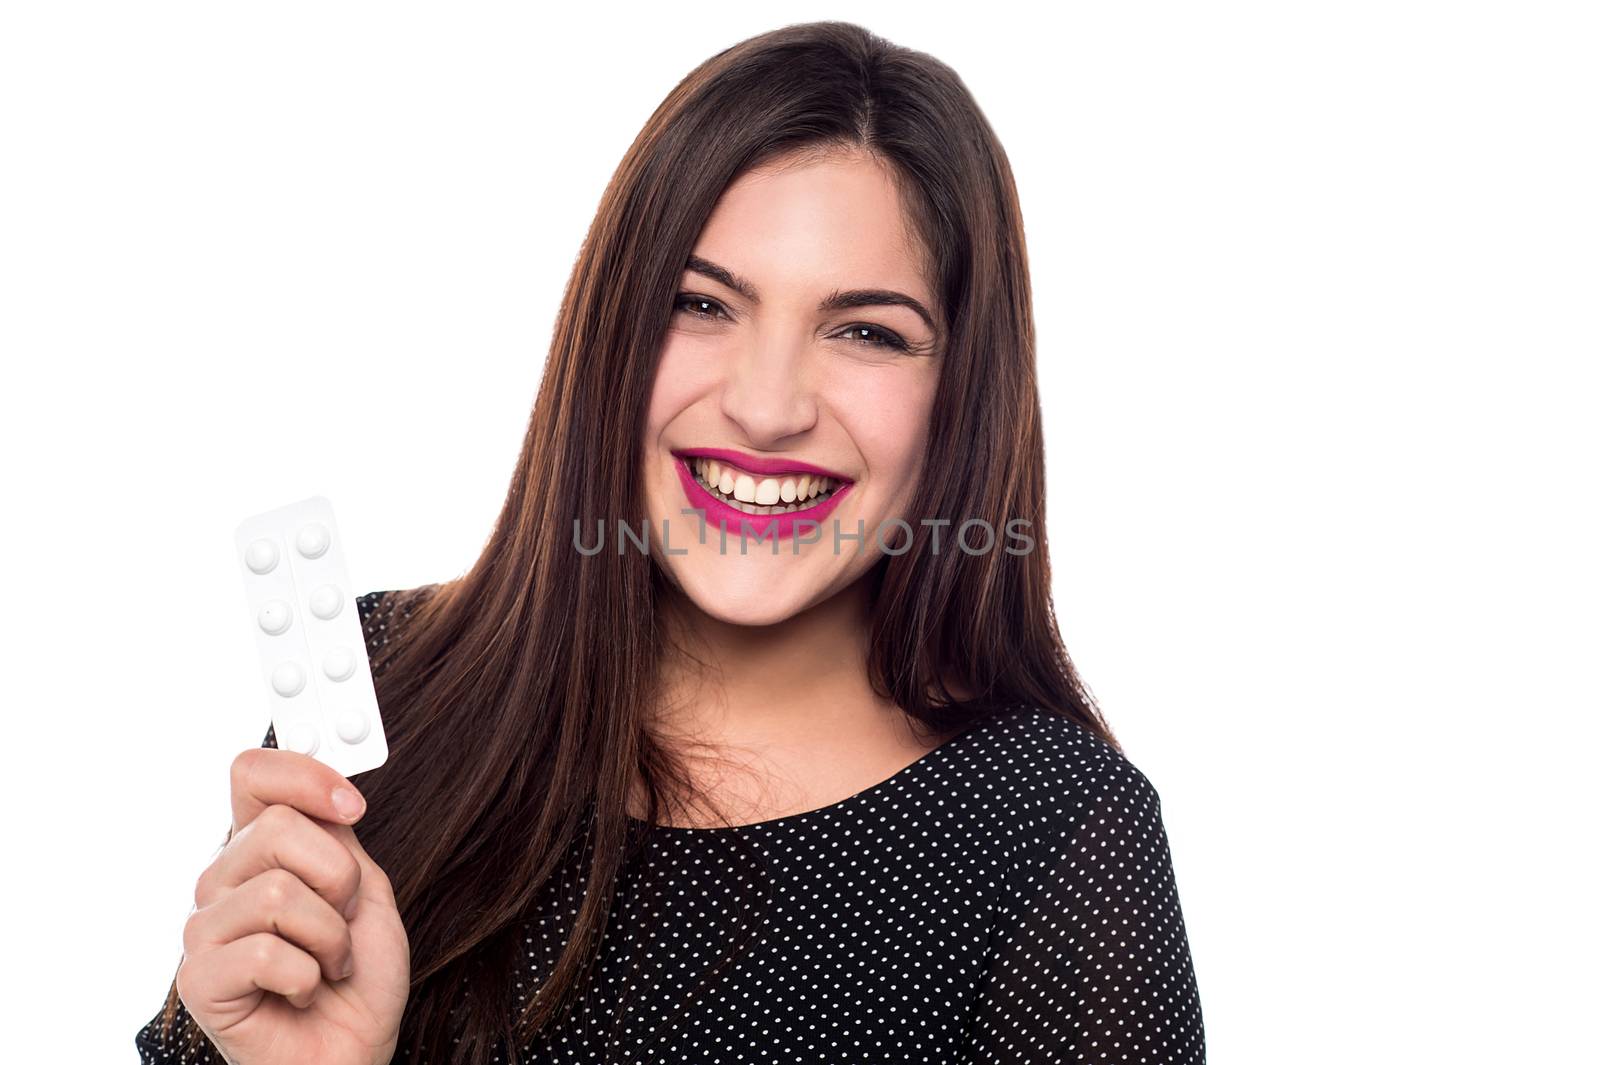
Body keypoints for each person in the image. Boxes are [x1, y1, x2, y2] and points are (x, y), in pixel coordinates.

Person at [137, 20, 1206, 1064]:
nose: (767, 406)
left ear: (959, 394)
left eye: (866, 332)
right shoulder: (385, 691)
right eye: (701, 304)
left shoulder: (1056, 838)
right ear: (609, 336)